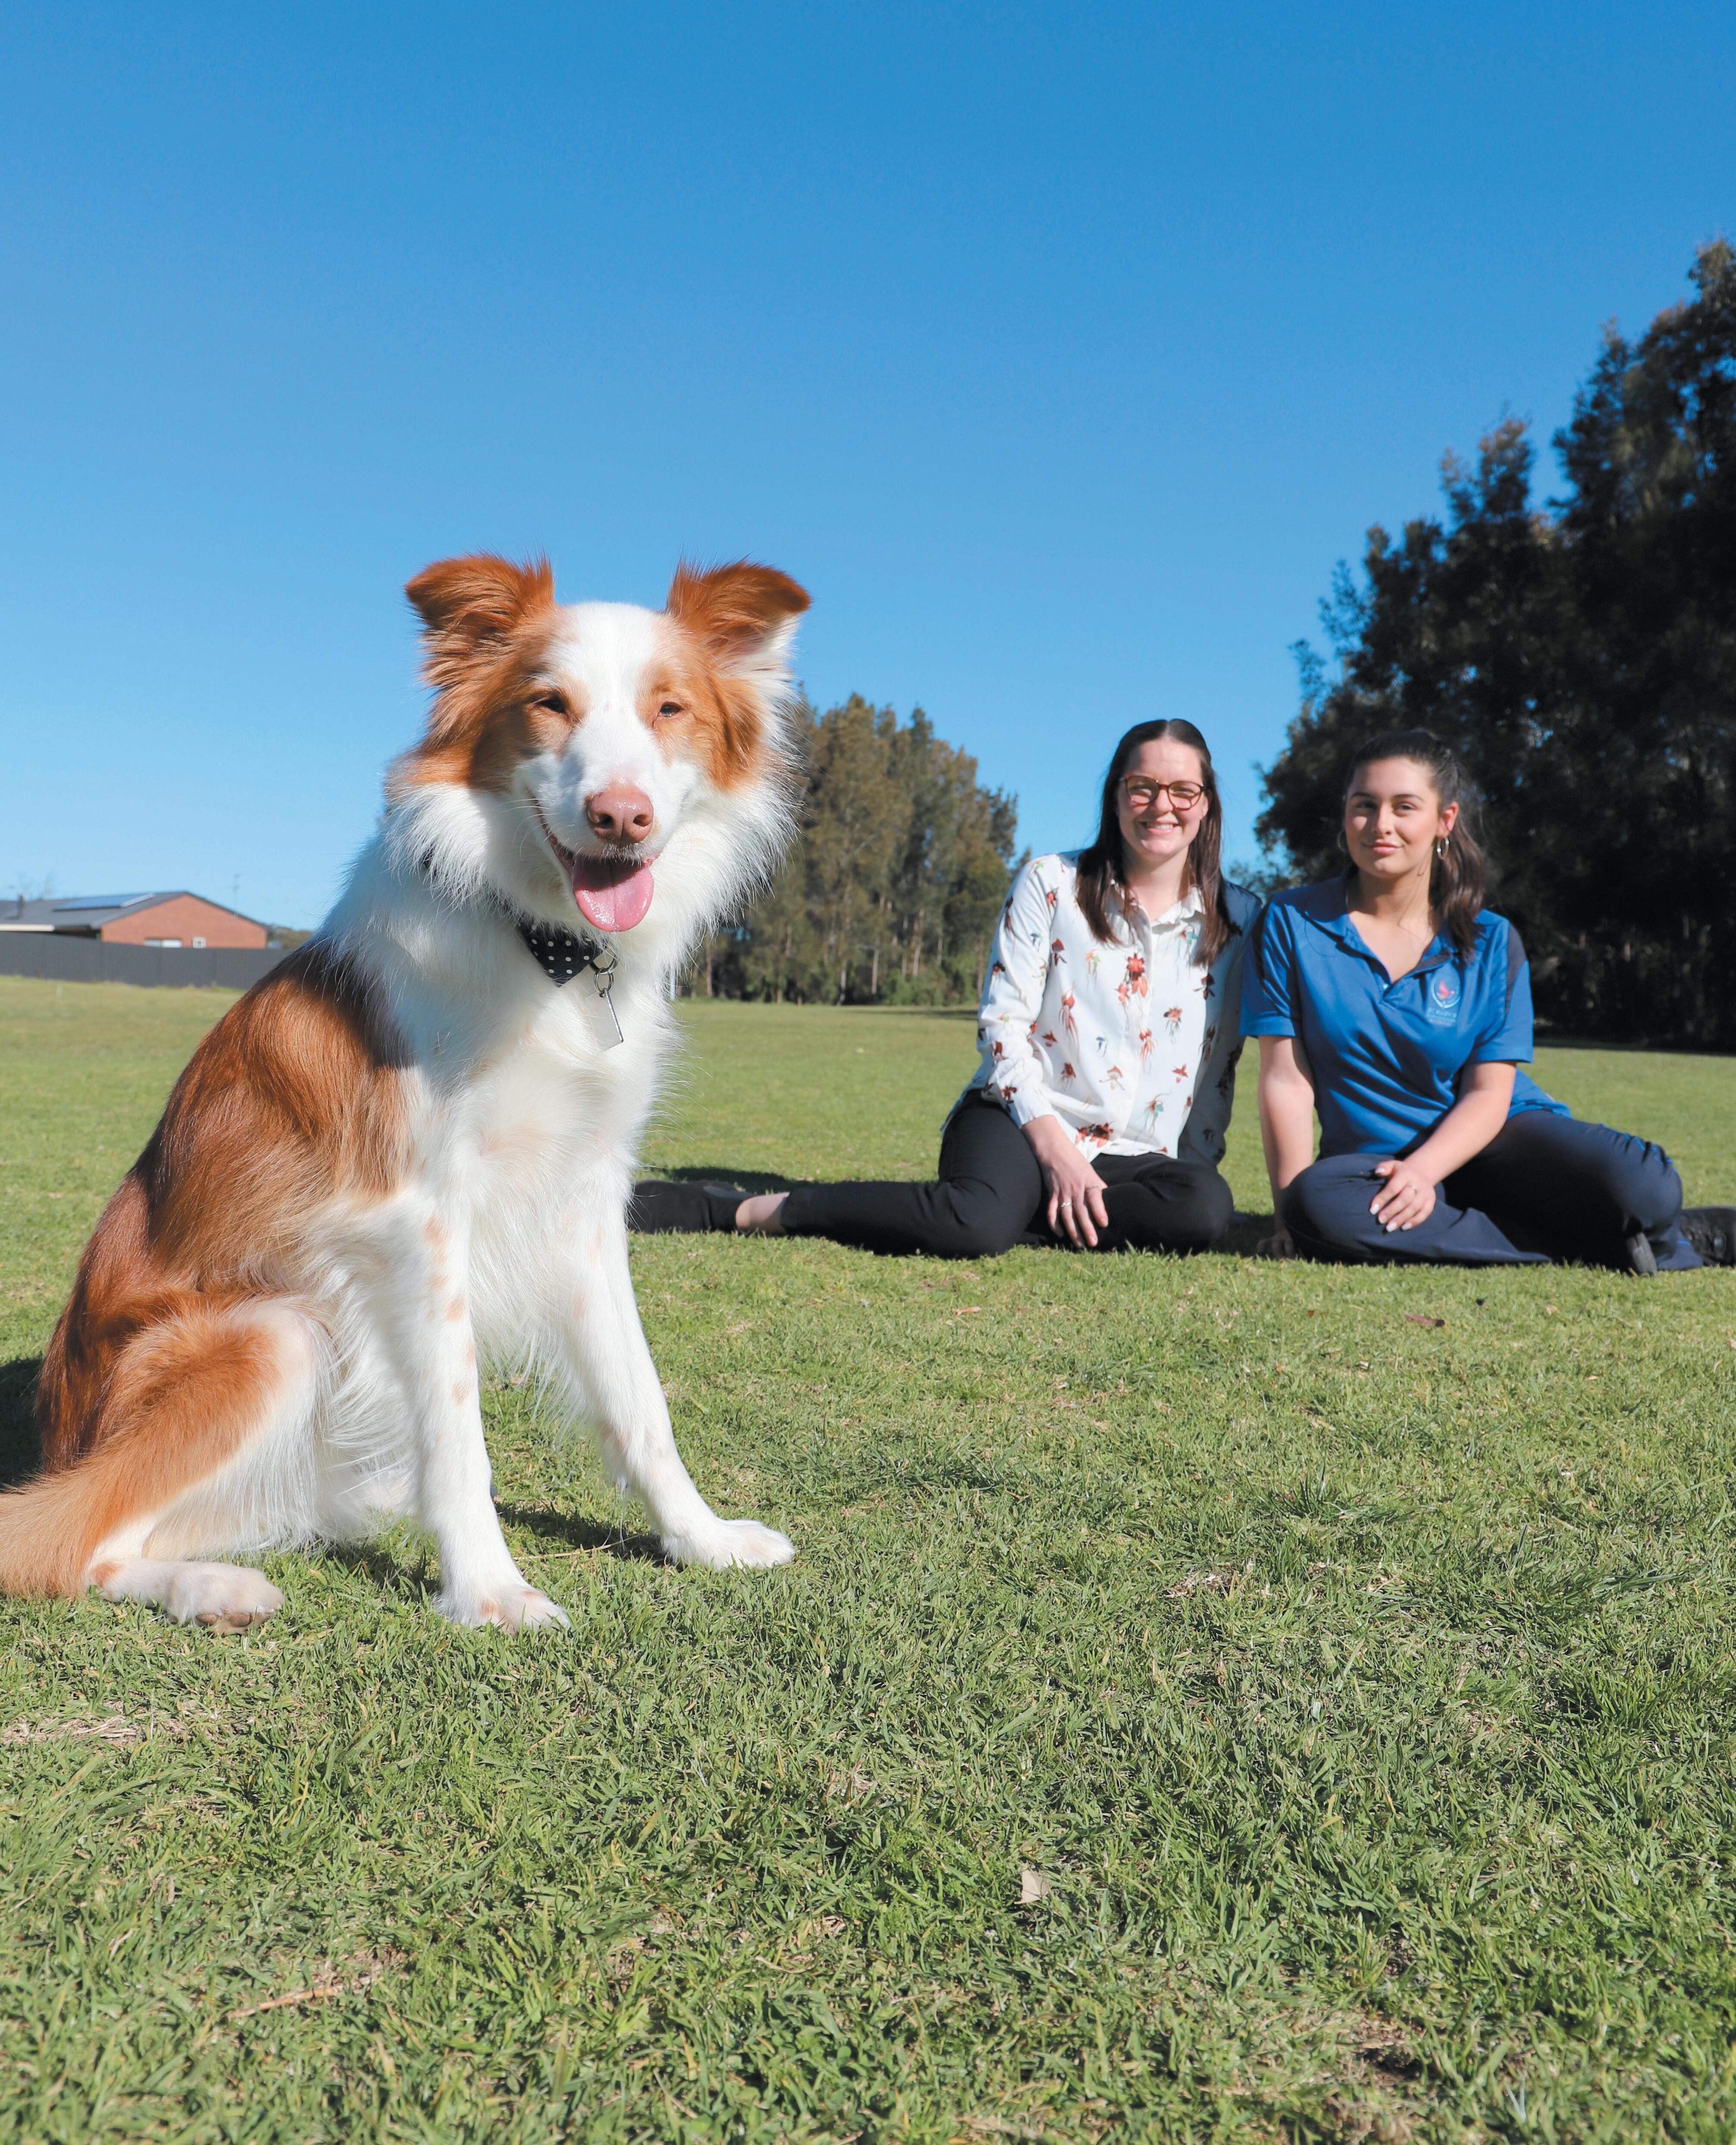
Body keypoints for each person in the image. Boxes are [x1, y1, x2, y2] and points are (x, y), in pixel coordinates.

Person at [631, 719, 1261, 1258]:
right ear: (1116, 795)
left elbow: (1220, 1062)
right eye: (1142, 786)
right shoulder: (1052, 883)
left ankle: (1020, 1211)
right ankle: (746, 1209)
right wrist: (1057, 1154)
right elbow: (1002, 1028)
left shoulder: (1240, 920)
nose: (1161, 806)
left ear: (1205, 803)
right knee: (973, 1224)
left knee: (1204, 1208)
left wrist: (1192, 1166)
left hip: (1132, 1153)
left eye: (1183, 790)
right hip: (1020, 1120)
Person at [1241, 728, 1734, 1272]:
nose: (1381, 824)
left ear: (1444, 820)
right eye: (1365, 805)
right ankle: (1598, 1246)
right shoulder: (1290, 921)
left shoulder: (1491, 939)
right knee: (1315, 1205)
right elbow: (1285, 1081)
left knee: (1647, 1186)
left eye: (1404, 807)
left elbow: (1488, 1094)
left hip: (1497, 1140)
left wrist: (1426, 1170)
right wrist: (1288, 1220)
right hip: (1374, 1167)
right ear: (1345, 813)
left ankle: (1662, 1230)